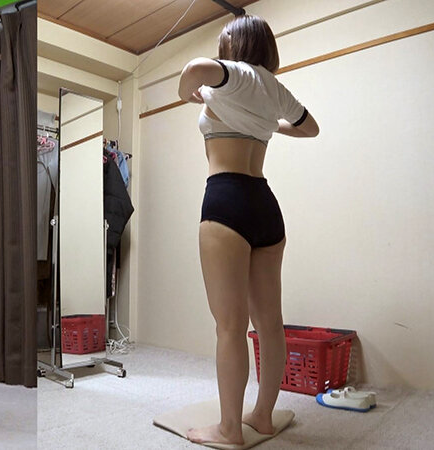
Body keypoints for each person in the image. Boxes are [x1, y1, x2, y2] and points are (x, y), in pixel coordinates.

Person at [177, 14, 319, 446]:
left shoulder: (234, 74)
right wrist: (269, 124)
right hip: (264, 204)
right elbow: (310, 128)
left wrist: (189, 94)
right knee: (270, 324)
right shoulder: (273, 88)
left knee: (230, 326)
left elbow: (193, 70)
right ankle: (262, 416)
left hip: (226, 200)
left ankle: (229, 429)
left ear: (234, 46)